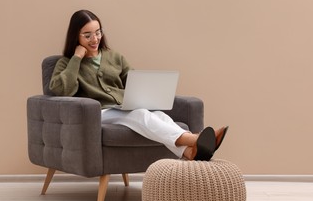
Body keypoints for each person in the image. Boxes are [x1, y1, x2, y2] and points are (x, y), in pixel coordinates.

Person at [49, 9, 228, 161]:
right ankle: (195, 139)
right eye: (87, 35)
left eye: (98, 32)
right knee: (139, 114)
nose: (95, 39)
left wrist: (147, 95)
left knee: (159, 115)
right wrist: (77, 58)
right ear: (76, 36)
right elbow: (61, 89)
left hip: (121, 108)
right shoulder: (67, 63)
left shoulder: (114, 57)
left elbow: (134, 81)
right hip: (98, 113)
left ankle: (189, 152)